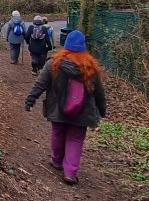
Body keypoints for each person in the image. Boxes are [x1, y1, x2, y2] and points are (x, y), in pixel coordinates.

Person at [24, 30, 107, 185]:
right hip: (82, 113)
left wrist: (30, 100)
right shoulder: (90, 67)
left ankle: (56, 161)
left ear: (66, 45)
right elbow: (99, 93)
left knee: (58, 134)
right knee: (75, 140)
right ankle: (70, 173)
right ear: (84, 47)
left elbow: (40, 84)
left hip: (58, 109)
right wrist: (102, 110)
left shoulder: (53, 64)